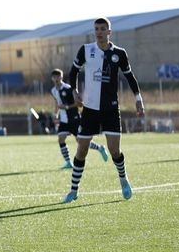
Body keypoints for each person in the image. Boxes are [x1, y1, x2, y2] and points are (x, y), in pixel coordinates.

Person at [62, 17, 145, 203]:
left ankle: (123, 179)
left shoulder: (119, 54)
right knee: (82, 149)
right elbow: (73, 72)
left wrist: (138, 99)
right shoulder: (86, 50)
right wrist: (74, 92)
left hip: (110, 109)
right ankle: (73, 191)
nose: (99, 31)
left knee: (115, 150)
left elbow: (130, 77)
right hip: (90, 109)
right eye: (96, 29)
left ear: (109, 32)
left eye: (102, 29)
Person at [50, 68, 109, 169]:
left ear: (61, 77)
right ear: (52, 78)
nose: (56, 79)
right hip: (64, 120)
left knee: (81, 142)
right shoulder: (53, 90)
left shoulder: (68, 88)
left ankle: (100, 148)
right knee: (61, 139)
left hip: (74, 119)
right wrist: (56, 114)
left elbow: (78, 103)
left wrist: (67, 107)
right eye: (54, 77)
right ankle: (68, 162)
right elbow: (57, 102)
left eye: (58, 76)